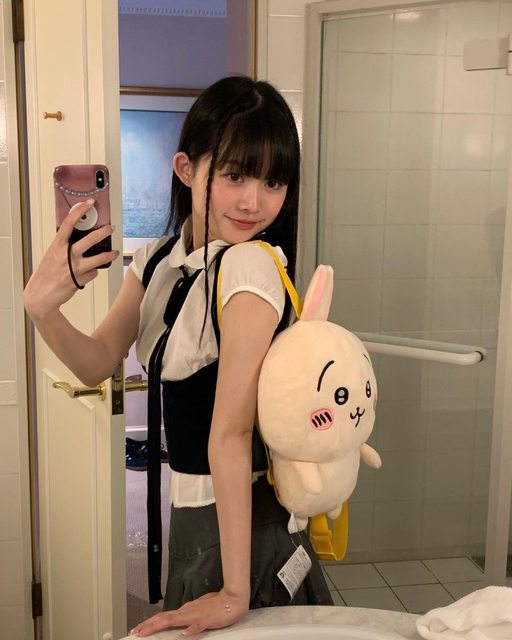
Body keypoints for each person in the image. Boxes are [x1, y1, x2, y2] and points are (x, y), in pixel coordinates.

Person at [23, 75, 333, 638]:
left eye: (273, 181)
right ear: (186, 168)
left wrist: (235, 592)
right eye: (235, 175)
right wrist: (42, 310)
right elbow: (97, 363)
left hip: (246, 518)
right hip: (194, 509)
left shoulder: (250, 267)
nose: (254, 201)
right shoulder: (158, 260)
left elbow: (231, 434)